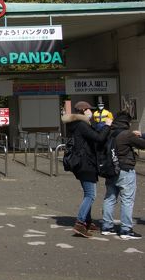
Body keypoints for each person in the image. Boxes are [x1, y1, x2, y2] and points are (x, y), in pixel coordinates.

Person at [61, 100, 112, 238]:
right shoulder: (82, 125)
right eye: (90, 110)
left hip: (81, 163)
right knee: (91, 194)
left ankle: (87, 222)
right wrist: (107, 125)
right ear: (84, 111)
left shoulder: (77, 124)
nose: (93, 112)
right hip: (86, 163)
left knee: (88, 193)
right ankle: (80, 222)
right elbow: (99, 138)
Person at [101, 111, 145, 239]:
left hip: (110, 170)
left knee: (109, 198)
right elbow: (143, 145)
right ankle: (126, 230)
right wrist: (140, 136)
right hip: (125, 170)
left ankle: (106, 227)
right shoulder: (126, 134)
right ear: (126, 122)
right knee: (127, 200)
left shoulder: (109, 133)